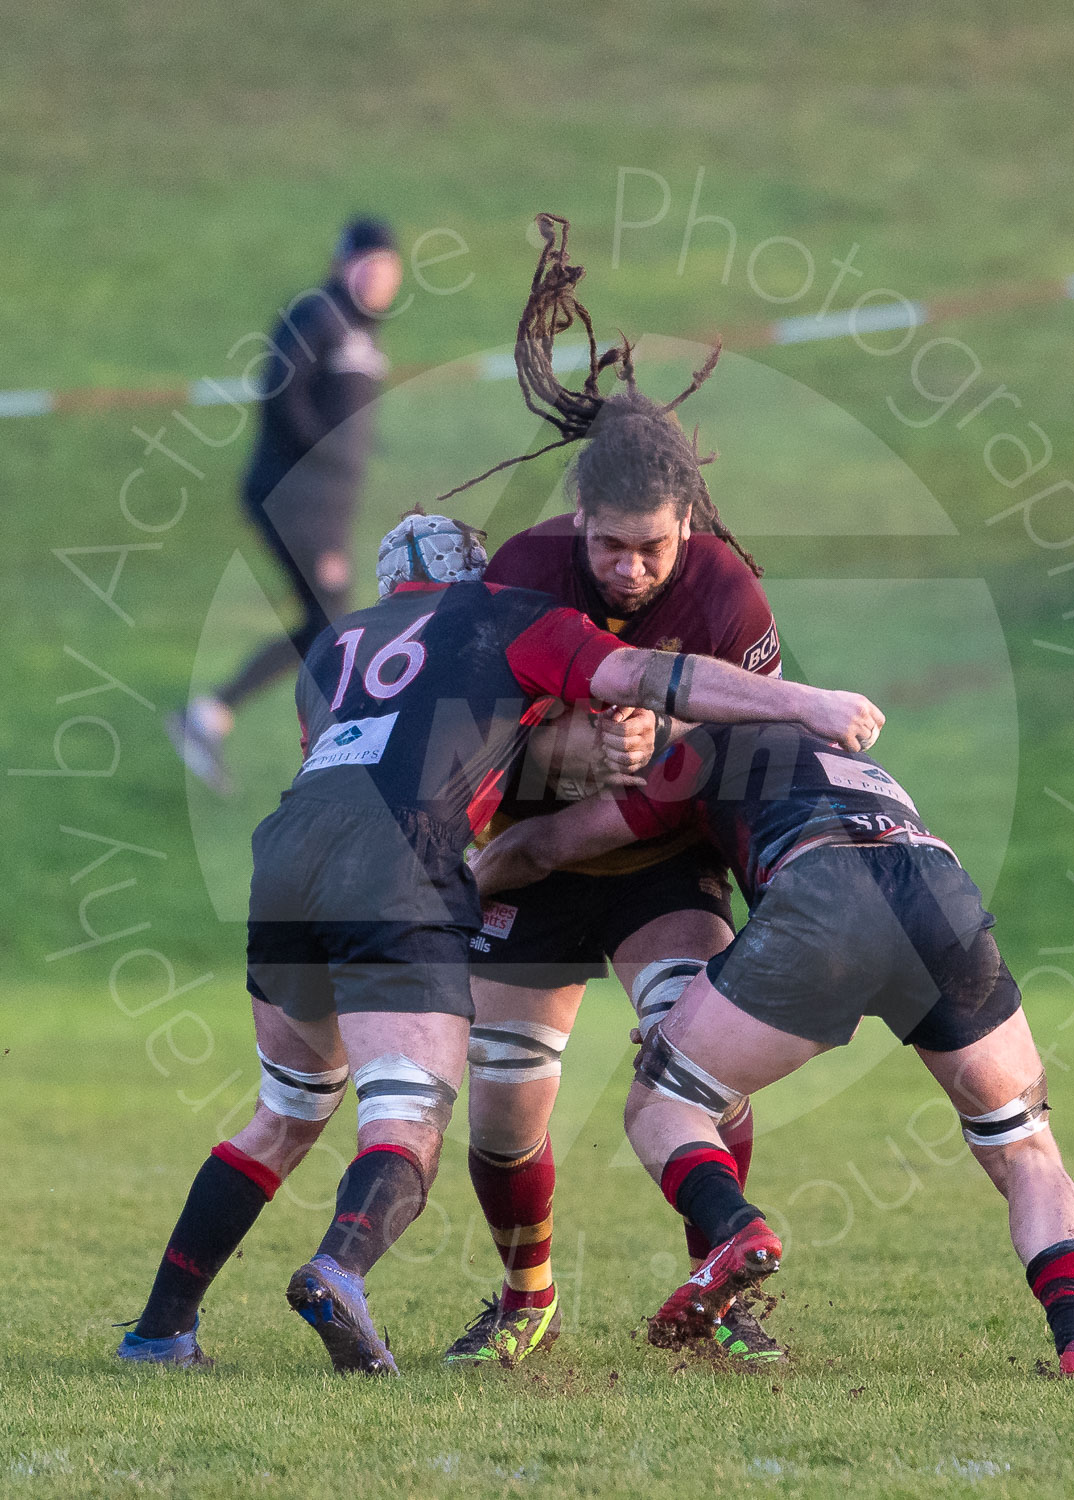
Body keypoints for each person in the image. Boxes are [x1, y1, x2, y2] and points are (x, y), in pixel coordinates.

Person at [117, 512, 884, 1373]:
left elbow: (377, 743)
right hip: (404, 859)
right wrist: (797, 703)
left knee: (289, 1108)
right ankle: (342, 1268)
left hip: (288, 855)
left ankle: (161, 1330)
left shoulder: (332, 653)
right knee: (410, 1118)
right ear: (474, 574)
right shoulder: (511, 613)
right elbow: (639, 676)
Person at [469, 721, 1074, 1380]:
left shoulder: (707, 746)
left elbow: (546, 846)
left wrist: (444, 888)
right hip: (940, 896)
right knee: (1024, 1146)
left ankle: (738, 1229)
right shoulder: (835, 748)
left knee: (661, 1104)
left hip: (827, 896)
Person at [438, 215, 812, 1369]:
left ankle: (726, 1293)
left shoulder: (730, 599)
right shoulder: (523, 570)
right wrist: (559, 755)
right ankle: (527, 1299)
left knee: (696, 1060)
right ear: (579, 522)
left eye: (651, 549)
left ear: (688, 527)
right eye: (610, 546)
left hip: (658, 863)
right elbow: (462, 748)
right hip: (536, 866)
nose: (630, 570)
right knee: (502, 1107)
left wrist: (650, 765)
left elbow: (753, 766)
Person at [168, 217, 402, 793]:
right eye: (368, 263)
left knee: (325, 623)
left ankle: (211, 717)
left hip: (324, 507)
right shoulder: (315, 315)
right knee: (332, 623)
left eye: (389, 267)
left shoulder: (364, 333)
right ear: (342, 263)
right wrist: (320, 464)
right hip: (294, 497)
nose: (378, 277)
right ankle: (356, 756)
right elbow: (281, 396)